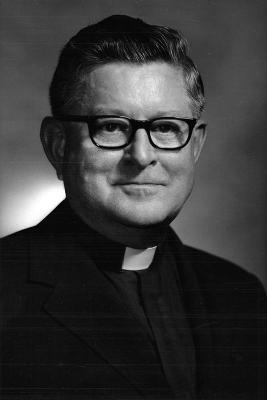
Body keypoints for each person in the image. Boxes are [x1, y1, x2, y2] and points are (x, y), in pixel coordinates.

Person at [0, 15, 266, 400]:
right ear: (58, 145)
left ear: (195, 145)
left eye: (166, 127)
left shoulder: (240, 294)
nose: (142, 155)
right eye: (111, 126)